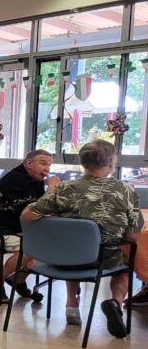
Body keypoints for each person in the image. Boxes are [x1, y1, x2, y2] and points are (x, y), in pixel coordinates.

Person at [21, 139, 143, 337]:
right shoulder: (126, 191)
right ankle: (115, 302)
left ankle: (72, 305)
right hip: (104, 258)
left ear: (83, 163)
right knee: (126, 261)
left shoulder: (64, 189)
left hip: (64, 256)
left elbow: (26, 216)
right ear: (111, 161)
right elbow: (133, 235)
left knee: (74, 247)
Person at [0, 149, 57, 304]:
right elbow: (31, 211)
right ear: (29, 163)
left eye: (49, 165)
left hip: (17, 227)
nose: (47, 169)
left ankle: (18, 279)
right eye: (43, 163)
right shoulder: (15, 179)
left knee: (46, 246)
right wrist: (52, 190)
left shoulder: (34, 180)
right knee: (29, 250)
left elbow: (38, 210)